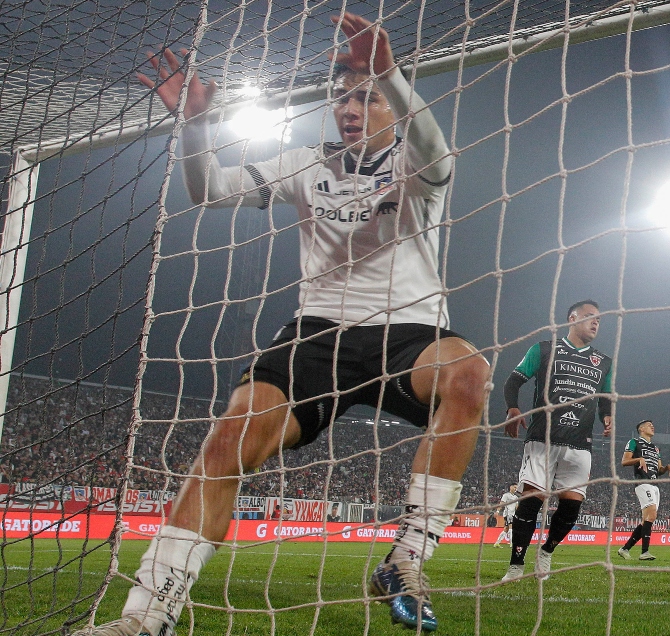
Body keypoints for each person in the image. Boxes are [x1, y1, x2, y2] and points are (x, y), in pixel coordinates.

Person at [86, 13, 489, 635]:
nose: (350, 107)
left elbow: (435, 151)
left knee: (469, 377)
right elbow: (210, 192)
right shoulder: (306, 163)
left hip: (408, 333)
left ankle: (407, 559)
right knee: (225, 444)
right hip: (317, 334)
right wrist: (196, 127)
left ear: (393, 103)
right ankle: (146, 618)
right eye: (341, 97)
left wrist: (387, 69)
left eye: (367, 96)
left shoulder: (418, 164)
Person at [500, 300, 613, 582]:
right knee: (531, 500)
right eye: (590, 317)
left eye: (599, 319)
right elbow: (513, 381)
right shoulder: (544, 350)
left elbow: (605, 398)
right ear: (572, 318)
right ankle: (516, 565)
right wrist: (513, 407)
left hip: (580, 443)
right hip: (542, 438)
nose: (596, 322)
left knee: (572, 503)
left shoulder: (604, 362)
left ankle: (547, 551)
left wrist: (607, 416)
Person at [617, 419, 670, 560]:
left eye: (653, 424)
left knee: (646, 520)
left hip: (654, 485)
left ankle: (625, 549)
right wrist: (638, 459)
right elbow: (624, 461)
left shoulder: (655, 448)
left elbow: (659, 470)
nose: (652, 426)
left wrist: (667, 467)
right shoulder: (634, 442)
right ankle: (644, 552)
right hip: (642, 482)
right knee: (651, 516)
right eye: (648, 425)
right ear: (641, 429)